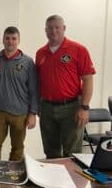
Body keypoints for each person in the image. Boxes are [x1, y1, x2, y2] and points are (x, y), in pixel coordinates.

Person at [36, 15, 96, 158]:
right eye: (50, 28)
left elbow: (88, 79)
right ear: (45, 30)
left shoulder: (78, 50)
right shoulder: (40, 53)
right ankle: (52, 180)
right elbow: (39, 81)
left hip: (72, 108)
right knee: (51, 153)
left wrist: (84, 107)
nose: (53, 31)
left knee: (73, 154)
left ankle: (71, 181)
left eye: (57, 27)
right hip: (47, 108)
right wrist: (38, 105)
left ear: (64, 28)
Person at [0, 26, 38, 161]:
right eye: (7, 38)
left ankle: (13, 177)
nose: (10, 41)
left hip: (20, 114)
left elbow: (33, 89)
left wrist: (32, 113)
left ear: (18, 40)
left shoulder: (27, 62)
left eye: (14, 38)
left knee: (17, 148)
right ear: (3, 40)